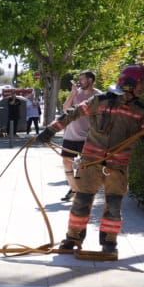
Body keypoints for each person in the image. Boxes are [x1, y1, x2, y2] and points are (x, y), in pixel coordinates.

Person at [38, 63, 144, 258]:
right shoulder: (100, 101)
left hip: (118, 166)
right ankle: (72, 238)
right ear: (129, 84)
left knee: (114, 206)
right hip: (91, 163)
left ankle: (110, 242)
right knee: (81, 202)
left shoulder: (141, 111)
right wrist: (50, 130)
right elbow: (73, 113)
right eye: (142, 83)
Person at [59, 71, 98, 202]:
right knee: (66, 163)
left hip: (87, 136)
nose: (80, 81)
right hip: (70, 134)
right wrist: (72, 93)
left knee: (84, 166)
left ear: (91, 80)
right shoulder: (76, 93)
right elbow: (65, 109)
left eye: (83, 79)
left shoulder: (98, 95)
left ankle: (79, 191)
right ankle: (74, 189)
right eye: (80, 79)